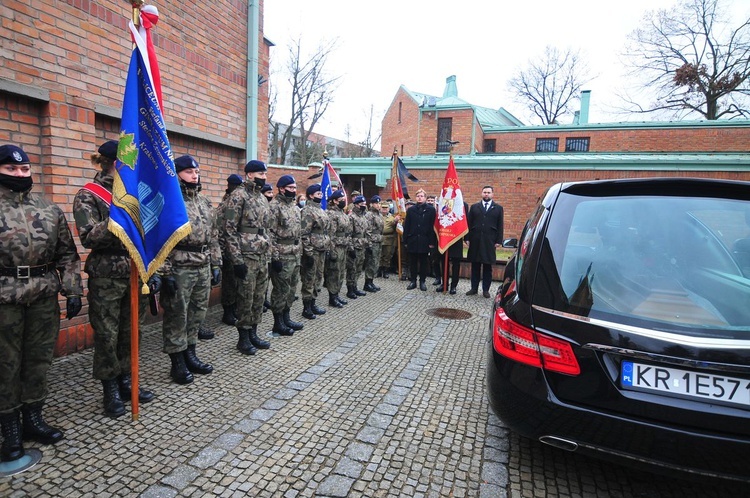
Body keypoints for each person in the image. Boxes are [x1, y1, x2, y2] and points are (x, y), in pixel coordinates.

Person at [0, 144, 82, 462]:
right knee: (6, 365)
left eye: (24, 169)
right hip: (5, 298)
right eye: (11, 169)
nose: (20, 174)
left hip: (43, 297)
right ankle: (10, 432)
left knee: (38, 361)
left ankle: (33, 420)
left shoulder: (48, 208)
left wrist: (73, 290)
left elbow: (67, 253)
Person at [73, 140, 159, 418]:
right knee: (108, 335)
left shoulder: (135, 193)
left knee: (132, 331)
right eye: (130, 163)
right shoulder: (89, 194)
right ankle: (110, 389)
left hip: (136, 272)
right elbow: (88, 237)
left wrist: (153, 270)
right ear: (114, 163)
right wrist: (117, 215)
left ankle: (126, 381)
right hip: (107, 275)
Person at [158, 155, 221, 384]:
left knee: (197, 313)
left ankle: (190, 354)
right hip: (179, 265)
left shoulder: (203, 201)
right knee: (177, 315)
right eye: (188, 171)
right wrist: (165, 272)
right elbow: (160, 237)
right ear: (177, 174)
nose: (194, 175)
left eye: (196, 171)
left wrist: (216, 264)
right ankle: (177, 363)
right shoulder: (169, 200)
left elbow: (214, 235)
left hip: (202, 263)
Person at [224, 159, 273, 355]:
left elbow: (266, 228)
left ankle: (253, 332)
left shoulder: (261, 197)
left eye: (265, 174)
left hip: (261, 254)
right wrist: (236, 260)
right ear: (250, 174)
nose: (264, 177)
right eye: (261, 174)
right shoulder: (238, 195)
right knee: (246, 296)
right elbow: (229, 229)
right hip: (246, 255)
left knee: (259, 296)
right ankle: (243, 337)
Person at [268, 174, 303, 335]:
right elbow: (270, 234)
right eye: (290, 188)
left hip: (295, 254)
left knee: (291, 289)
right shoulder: (274, 207)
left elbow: (299, 233)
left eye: (295, 188)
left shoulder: (295, 208)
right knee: (280, 290)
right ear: (281, 188)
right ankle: (278, 322)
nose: (294, 190)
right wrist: (275, 257)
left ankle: (286, 317)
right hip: (282, 255)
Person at [466, 185, 504, 298]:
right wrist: (467, 238)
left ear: (492, 194)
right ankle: (474, 288)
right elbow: (469, 223)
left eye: (488, 192)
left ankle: (486, 290)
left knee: (487, 267)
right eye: (484, 192)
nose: (486, 194)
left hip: (489, 241)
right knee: (475, 265)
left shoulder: (498, 208)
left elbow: (500, 225)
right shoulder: (474, 207)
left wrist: (499, 240)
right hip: (475, 240)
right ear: (481, 193)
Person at [300, 183, 331, 319]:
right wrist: (308, 252)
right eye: (318, 194)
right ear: (311, 195)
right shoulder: (307, 211)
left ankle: (313, 303)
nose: (321, 195)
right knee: (309, 278)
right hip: (312, 250)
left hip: (322, 248)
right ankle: (306, 307)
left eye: (321, 193)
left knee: (318, 277)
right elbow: (303, 233)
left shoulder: (321, 210)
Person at [218, 174, 244, 326]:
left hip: (237, 248)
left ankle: (233, 308)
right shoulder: (228, 204)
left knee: (236, 282)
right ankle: (228, 311)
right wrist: (224, 250)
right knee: (229, 283)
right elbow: (224, 228)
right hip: (228, 249)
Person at [403, 189, 436, 291]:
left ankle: (422, 281)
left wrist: (431, 242)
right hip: (413, 239)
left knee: (423, 262)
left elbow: (432, 227)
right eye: (418, 196)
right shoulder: (411, 210)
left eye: (422, 196)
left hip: (425, 240)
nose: (420, 198)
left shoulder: (431, 210)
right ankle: (413, 281)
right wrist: (406, 240)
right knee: (412, 262)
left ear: (425, 198)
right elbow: (407, 226)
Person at [324, 190, 350, 307]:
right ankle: (332, 296)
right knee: (334, 272)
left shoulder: (342, 214)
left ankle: (337, 294)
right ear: (334, 201)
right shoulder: (331, 214)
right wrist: (332, 251)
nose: (344, 201)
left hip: (343, 246)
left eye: (344, 199)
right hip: (336, 246)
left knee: (340, 272)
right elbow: (331, 235)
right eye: (341, 200)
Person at [437, 201, 469, 294]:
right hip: (445, 237)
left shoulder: (463, 204)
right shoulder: (443, 202)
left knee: (456, 263)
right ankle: (444, 284)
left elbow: (465, 222)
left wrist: (466, 238)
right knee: (444, 262)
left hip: (456, 238)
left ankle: (454, 285)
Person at [345, 195, 370, 299]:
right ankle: (350, 289)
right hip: (354, 246)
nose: (364, 205)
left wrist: (368, 244)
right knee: (352, 268)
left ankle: (355, 286)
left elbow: (366, 232)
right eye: (362, 204)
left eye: (365, 204)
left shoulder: (363, 216)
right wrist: (350, 248)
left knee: (359, 268)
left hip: (362, 245)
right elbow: (348, 234)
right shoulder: (351, 217)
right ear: (356, 205)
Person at [363, 195, 384, 292]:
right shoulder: (369, 215)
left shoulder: (379, 214)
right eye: (376, 203)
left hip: (379, 240)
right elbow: (367, 231)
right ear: (371, 204)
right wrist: (369, 244)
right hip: (372, 241)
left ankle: (371, 281)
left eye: (379, 203)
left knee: (376, 262)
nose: (378, 205)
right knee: (371, 262)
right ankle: (367, 283)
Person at [378, 201, 399, 278]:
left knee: (387, 255)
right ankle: (379, 270)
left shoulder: (392, 217)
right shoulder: (377, 216)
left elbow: (396, 227)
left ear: (389, 208)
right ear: (380, 208)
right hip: (379, 238)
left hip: (389, 239)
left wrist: (396, 221)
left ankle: (385, 270)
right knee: (379, 255)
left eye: (386, 208)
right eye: (383, 208)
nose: (384, 209)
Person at [426, 194, 442, 286]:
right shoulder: (430, 212)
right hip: (433, 240)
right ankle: (437, 278)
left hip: (443, 239)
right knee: (434, 259)